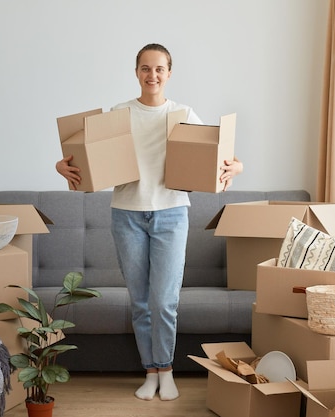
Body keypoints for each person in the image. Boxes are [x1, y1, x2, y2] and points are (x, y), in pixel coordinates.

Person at [56, 43, 243, 401]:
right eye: (145, 68)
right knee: (140, 300)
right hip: (126, 214)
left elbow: (220, 157)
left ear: (169, 73)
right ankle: (151, 371)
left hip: (171, 214)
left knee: (164, 301)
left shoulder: (184, 113)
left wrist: (238, 166)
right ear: (136, 72)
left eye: (159, 69)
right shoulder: (119, 113)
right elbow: (83, 159)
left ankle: (166, 370)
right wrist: (60, 166)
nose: (152, 75)